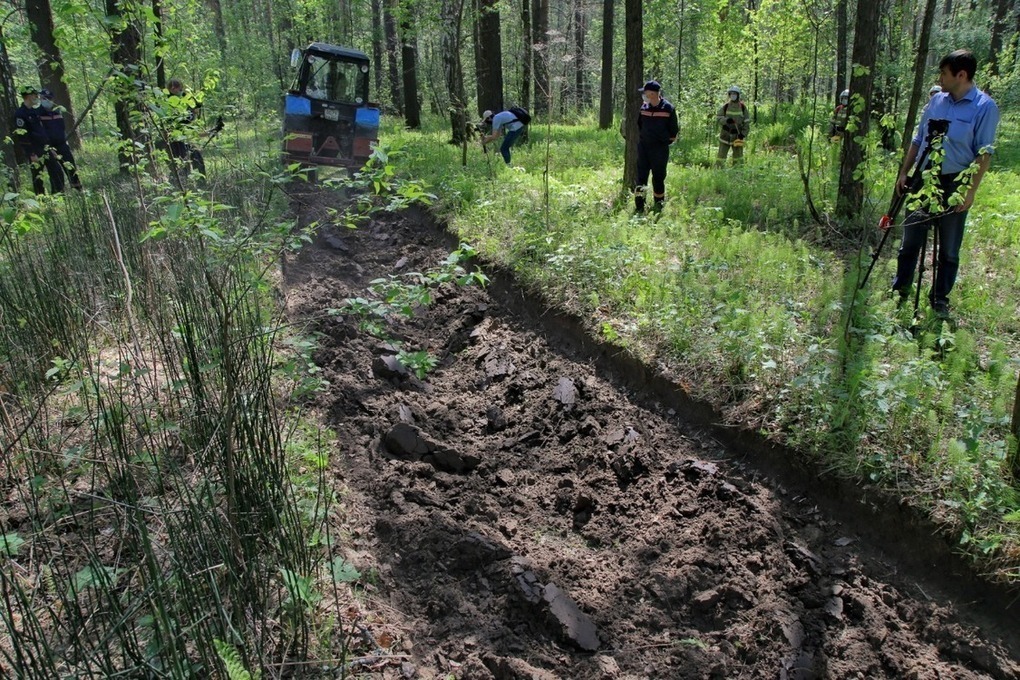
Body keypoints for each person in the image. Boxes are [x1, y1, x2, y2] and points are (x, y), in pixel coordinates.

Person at [888, 49, 999, 318]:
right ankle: (900, 287)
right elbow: (918, 140)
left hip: (955, 184)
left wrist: (969, 192)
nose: (940, 78)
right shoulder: (937, 101)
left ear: (961, 75)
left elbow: (984, 153)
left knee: (949, 248)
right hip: (923, 179)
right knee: (910, 240)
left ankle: (939, 299)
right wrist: (905, 173)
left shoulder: (984, 107)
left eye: (944, 73)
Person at [633, 80, 678, 213]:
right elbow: (640, 125)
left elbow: (673, 130)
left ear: (652, 94)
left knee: (658, 177)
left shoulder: (668, 108)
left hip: (660, 150)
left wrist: (661, 141)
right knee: (641, 177)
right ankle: (639, 206)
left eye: (645, 92)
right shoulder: (644, 108)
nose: (644, 95)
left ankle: (658, 205)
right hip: (644, 148)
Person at [14, 86, 64, 194]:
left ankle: (58, 195)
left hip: (45, 148)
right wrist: (31, 153)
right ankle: (41, 200)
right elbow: (22, 136)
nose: (37, 97)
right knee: (38, 176)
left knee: (57, 171)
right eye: (34, 95)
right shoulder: (20, 114)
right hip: (34, 150)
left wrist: (51, 148)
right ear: (27, 97)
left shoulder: (35, 112)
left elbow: (42, 131)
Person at [38, 89, 82, 190]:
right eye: (44, 98)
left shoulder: (57, 112)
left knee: (71, 167)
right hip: (48, 147)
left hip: (61, 144)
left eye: (49, 98)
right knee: (55, 173)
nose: (47, 100)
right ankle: (58, 194)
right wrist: (48, 147)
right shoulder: (38, 114)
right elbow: (40, 133)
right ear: (40, 98)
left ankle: (79, 190)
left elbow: (62, 128)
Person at [166, 78, 206, 176]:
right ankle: (181, 184)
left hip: (188, 135)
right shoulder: (167, 100)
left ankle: (202, 182)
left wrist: (194, 109)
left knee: (197, 158)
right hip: (175, 137)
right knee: (180, 162)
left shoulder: (186, 97)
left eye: (177, 88)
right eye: (172, 88)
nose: (175, 90)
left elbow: (197, 105)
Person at [717, 86, 750, 166]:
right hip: (725, 134)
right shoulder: (725, 106)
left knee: (738, 156)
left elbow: (747, 122)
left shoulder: (742, 107)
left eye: (735, 94)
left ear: (738, 95)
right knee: (721, 155)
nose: (733, 95)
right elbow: (718, 118)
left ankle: (738, 172)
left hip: (737, 136)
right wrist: (726, 120)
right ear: (729, 95)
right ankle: (718, 171)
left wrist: (743, 134)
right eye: (731, 94)